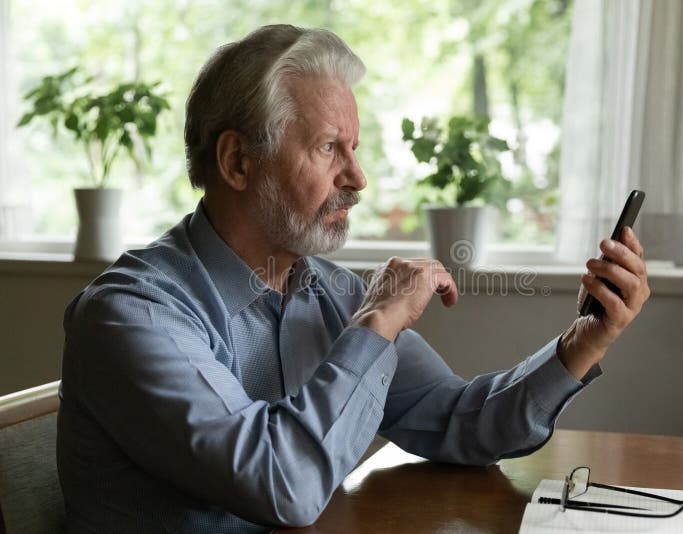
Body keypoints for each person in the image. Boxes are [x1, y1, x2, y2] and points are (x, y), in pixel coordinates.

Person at [56, 24, 650, 533]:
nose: (359, 178)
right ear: (237, 161)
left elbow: (460, 422)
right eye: (328, 148)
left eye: (355, 149)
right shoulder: (133, 314)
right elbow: (282, 485)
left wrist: (582, 341)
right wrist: (376, 323)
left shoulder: (324, 290)